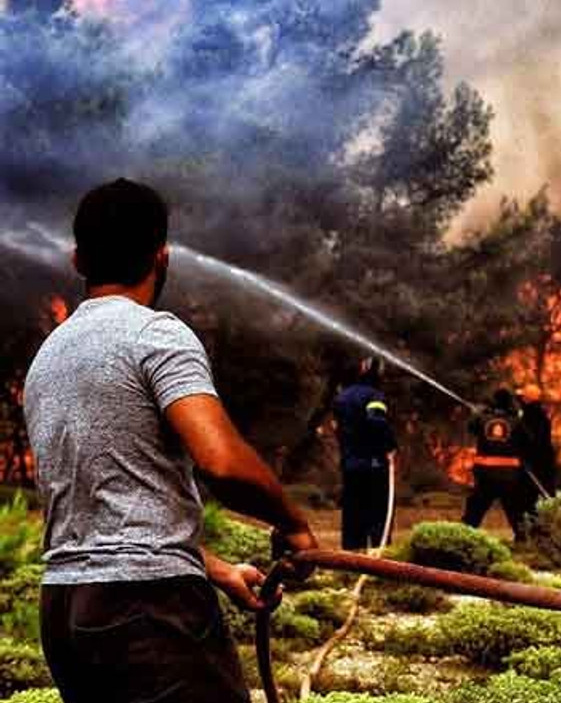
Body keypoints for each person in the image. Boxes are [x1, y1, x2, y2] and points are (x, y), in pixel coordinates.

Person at [22, 179, 318, 703]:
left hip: (66, 612)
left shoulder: (49, 359)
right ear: (163, 256)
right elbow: (223, 464)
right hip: (148, 610)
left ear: (77, 259)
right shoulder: (156, 334)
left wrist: (219, 570)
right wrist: (292, 523)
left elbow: (108, 512)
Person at [333, 357, 398, 550]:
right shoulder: (374, 396)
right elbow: (375, 420)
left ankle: (352, 556)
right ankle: (380, 557)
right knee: (379, 513)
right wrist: (390, 446)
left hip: (350, 465)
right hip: (374, 463)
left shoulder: (341, 397)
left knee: (353, 512)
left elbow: (340, 428)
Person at [462, 389, 538, 541]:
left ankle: (464, 537)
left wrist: (476, 413)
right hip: (509, 476)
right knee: (515, 510)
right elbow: (529, 441)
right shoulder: (516, 421)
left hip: (485, 476)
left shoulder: (482, 418)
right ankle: (522, 539)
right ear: (510, 403)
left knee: (475, 510)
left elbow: (470, 427)